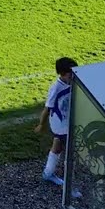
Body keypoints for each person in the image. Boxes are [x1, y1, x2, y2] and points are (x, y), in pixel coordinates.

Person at [36, 57, 77, 186]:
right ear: (63, 73)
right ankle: (70, 186)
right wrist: (41, 124)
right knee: (70, 151)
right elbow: (47, 109)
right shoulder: (56, 88)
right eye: (71, 73)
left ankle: (48, 173)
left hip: (66, 121)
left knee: (57, 147)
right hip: (60, 124)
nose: (74, 75)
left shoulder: (71, 82)